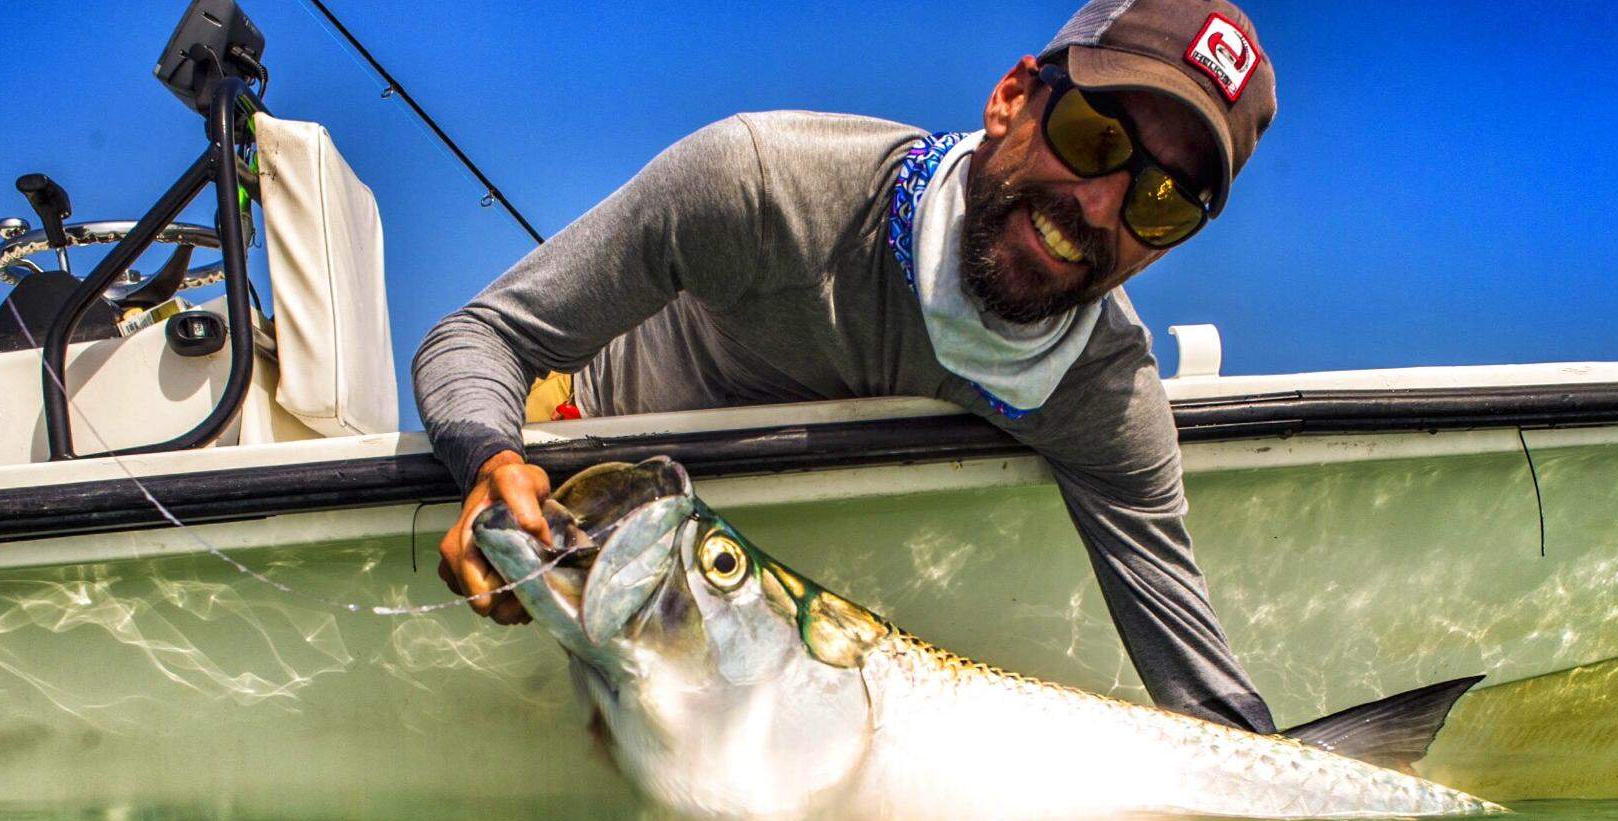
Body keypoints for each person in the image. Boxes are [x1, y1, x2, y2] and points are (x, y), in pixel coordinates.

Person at [414, 0, 1280, 731]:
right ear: (1013, 97)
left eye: (1163, 203)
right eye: (1094, 138)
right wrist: (491, 463)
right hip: (587, 501)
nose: (1100, 203)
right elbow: (481, 337)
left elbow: (1204, 695)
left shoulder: (1105, 397)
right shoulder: (759, 185)